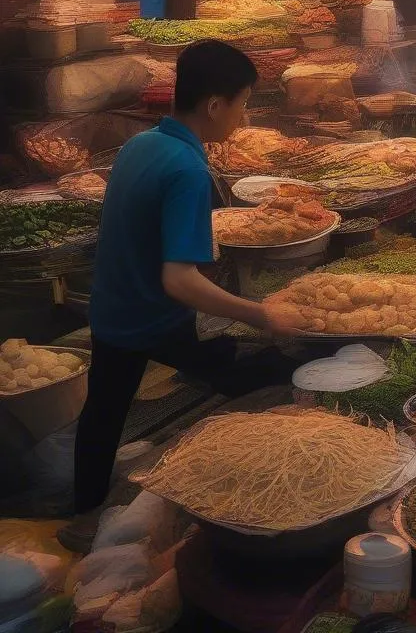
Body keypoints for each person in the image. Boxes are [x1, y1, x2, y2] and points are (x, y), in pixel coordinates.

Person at [74, 40, 300, 515]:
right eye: (243, 103)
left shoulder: (141, 143)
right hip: (155, 318)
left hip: (112, 309)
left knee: (104, 412)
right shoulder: (188, 170)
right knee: (268, 370)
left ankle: (84, 511)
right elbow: (179, 281)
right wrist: (260, 314)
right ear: (215, 105)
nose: (245, 116)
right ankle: (254, 482)